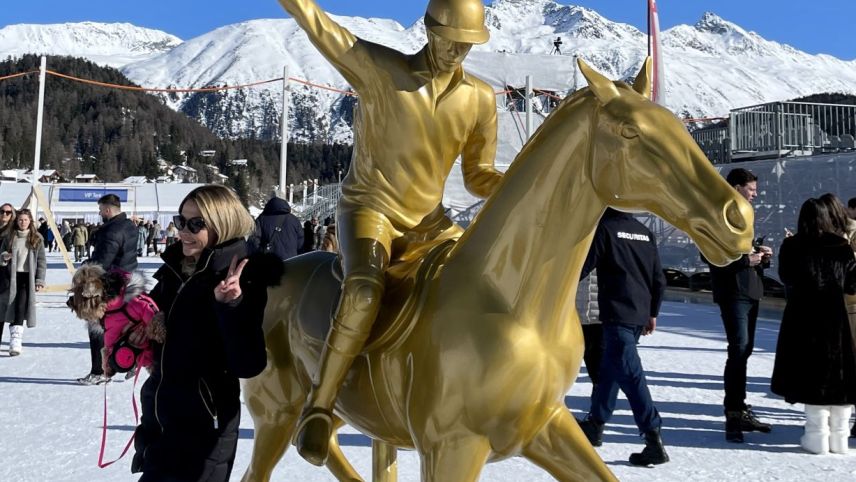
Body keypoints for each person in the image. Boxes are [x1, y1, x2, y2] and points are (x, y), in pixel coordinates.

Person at [277, 0, 504, 465]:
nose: (456, 52)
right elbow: (326, 31)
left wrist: (521, 185)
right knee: (362, 290)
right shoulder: (381, 70)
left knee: (480, 287)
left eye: (466, 45)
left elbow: (479, 175)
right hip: (369, 211)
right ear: (429, 31)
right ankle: (320, 406)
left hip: (431, 224)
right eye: (449, 41)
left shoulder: (480, 98)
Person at [131, 185, 267, 481]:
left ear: (222, 223)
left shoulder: (243, 276)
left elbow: (248, 363)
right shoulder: (175, 269)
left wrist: (231, 306)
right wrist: (122, 346)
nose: (184, 231)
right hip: (161, 420)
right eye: (181, 221)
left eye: (196, 224)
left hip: (204, 428)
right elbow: (146, 324)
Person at [576, 208, 669, 466]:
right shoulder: (643, 231)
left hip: (616, 313)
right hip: (638, 315)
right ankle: (595, 424)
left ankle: (653, 438)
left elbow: (583, 267)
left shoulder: (605, 229)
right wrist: (653, 312)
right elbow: (658, 279)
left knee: (630, 374)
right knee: (609, 370)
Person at [771, 198, 856, 454]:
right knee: (839, 376)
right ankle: (840, 437)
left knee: (810, 374)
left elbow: (786, 278)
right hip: (835, 315)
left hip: (802, 315)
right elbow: (851, 284)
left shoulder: (791, 245)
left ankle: (816, 436)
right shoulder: (841, 246)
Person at [705, 168, 774, 443]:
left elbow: (741, 251)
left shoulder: (745, 215)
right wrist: (748, 260)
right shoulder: (717, 216)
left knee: (743, 352)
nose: (755, 194)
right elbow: (711, 255)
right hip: (733, 292)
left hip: (751, 289)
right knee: (738, 350)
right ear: (736, 187)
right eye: (751, 189)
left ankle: (739, 409)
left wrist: (761, 255)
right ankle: (733, 414)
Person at [77, 194, 138, 385]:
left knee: (97, 328)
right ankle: (131, 360)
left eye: (100, 210)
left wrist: (85, 266)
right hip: (128, 280)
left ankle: (99, 371)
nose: (99, 213)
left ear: (107, 210)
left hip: (109, 284)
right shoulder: (129, 226)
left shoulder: (112, 230)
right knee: (122, 324)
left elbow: (102, 261)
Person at [0, 209, 46, 356]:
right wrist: (4, 257)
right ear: (16, 221)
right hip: (11, 277)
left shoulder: (36, 238)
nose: (23, 222)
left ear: (30, 221)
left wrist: (39, 279)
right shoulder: (10, 236)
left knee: (20, 307)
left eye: (26, 220)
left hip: (27, 278)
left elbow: (41, 261)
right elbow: (1, 254)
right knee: (10, 306)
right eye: (20, 220)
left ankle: (15, 340)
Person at [249, 196, 303, 260]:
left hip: (270, 261)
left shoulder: (261, 219)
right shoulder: (294, 219)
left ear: (269, 206)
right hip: (290, 259)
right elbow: (300, 241)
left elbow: (253, 239)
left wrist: (261, 251)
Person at [575, 270, 601, 398]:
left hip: (599, 321)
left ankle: (596, 410)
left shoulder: (607, 253)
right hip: (573, 320)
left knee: (597, 370)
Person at [0, 204, 16, 345]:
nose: (4, 214)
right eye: (2, 211)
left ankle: (15, 339)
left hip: (7, 275)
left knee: (6, 309)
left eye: (8, 212)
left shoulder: (13, 232)